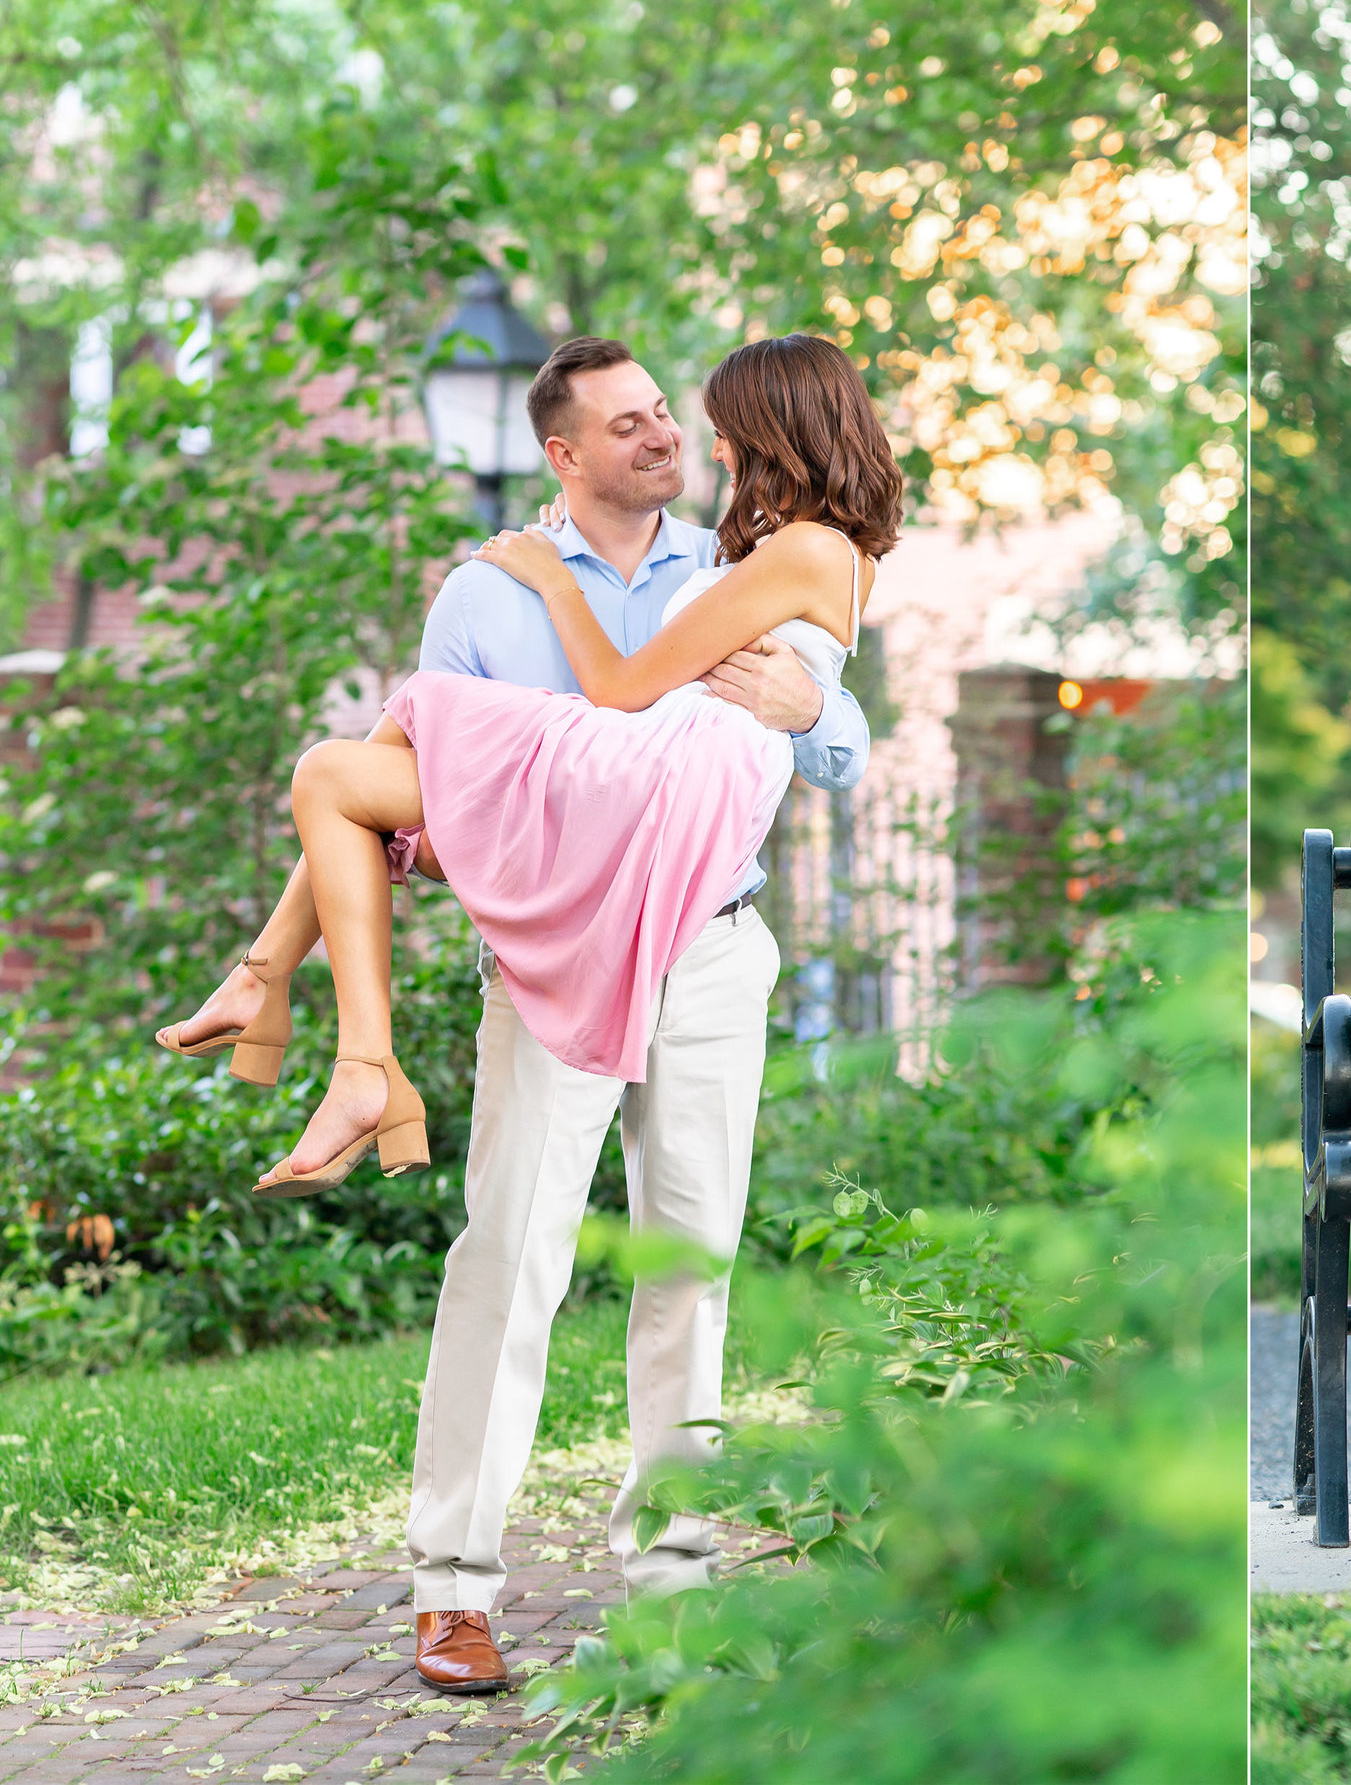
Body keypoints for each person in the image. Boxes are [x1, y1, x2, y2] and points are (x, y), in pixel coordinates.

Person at [151, 330, 895, 1691]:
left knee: (688, 1269)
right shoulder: (482, 593)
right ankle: (452, 1589)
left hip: (707, 947)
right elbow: (425, 822)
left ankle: (671, 1590)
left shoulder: (736, 565)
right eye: (633, 423)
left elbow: (832, 741)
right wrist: (474, 825)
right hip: (552, 947)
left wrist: (811, 705)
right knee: (510, 1259)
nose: (672, 437)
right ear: (564, 451)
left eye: (680, 417)